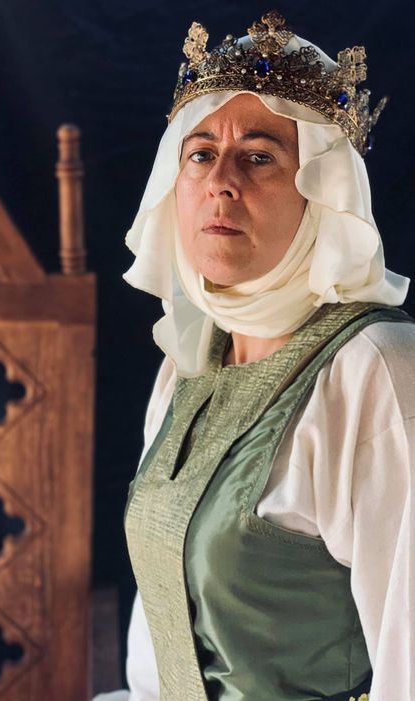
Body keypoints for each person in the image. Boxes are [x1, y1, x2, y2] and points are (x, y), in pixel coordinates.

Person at [95, 10, 413, 701]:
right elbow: (158, 658)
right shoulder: (188, 364)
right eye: (200, 153)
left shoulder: (378, 369)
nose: (221, 180)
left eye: (259, 155)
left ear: (325, 194)